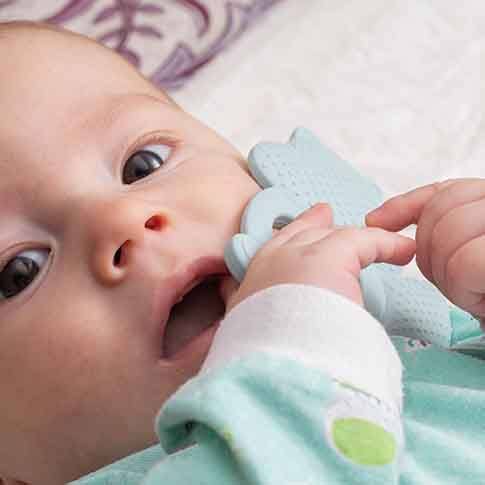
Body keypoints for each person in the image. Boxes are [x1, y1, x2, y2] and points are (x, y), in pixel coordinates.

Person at [0, 20, 484, 485]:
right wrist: (299, 334)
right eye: (20, 271)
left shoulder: (424, 336)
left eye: (142, 165)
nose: (120, 221)